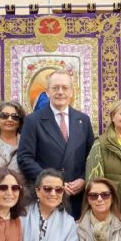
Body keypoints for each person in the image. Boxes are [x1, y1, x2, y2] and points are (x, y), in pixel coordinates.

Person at [17, 70, 95, 219]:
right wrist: (51, 183)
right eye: (55, 88)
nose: (60, 92)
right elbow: (24, 158)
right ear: (47, 92)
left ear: (72, 92)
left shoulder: (83, 120)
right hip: (47, 196)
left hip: (76, 198)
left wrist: (84, 179)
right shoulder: (33, 121)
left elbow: (91, 157)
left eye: (65, 88)